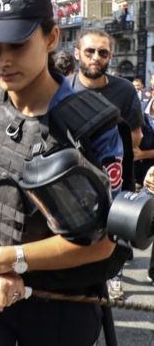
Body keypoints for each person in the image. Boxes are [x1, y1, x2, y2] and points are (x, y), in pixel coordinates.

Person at [0, 0, 125, 345]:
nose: (3, 60)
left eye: (18, 44)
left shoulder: (94, 126)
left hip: (61, 305)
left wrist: (14, 259)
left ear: (51, 38)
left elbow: (105, 242)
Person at [71, 28, 143, 300]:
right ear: (77, 53)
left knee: (113, 231)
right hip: (73, 180)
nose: (95, 58)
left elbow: (134, 136)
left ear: (110, 56)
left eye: (103, 52)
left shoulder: (123, 90)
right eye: (89, 51)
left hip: (113, 177)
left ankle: (114, 276)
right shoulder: (62, 90)